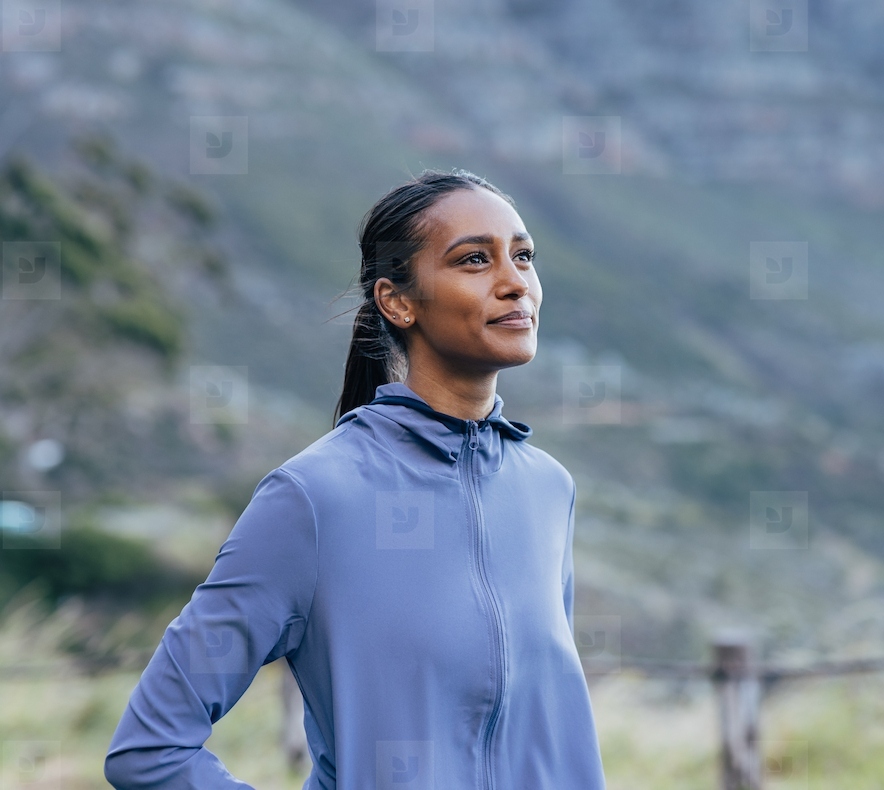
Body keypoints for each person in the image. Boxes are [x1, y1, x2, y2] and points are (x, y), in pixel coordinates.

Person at [104, 168, 608, 789]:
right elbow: (150, 750)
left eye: (524, 256)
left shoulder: (547, 489)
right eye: (475, 260)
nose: (515, 283)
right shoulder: (313, 500)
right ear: (397, 300)